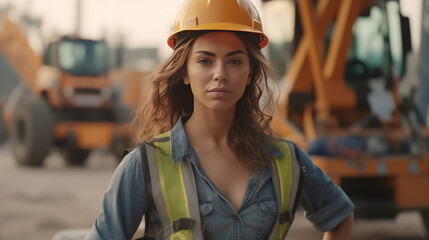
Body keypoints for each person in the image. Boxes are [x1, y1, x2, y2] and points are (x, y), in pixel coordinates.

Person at [85, 0, 354, 239]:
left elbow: (340, 215)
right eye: (205, 61)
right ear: (185, 73)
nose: (220, 74)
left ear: (250, 73)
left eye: (235, 62)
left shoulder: (286, 160)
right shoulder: (145, 165)